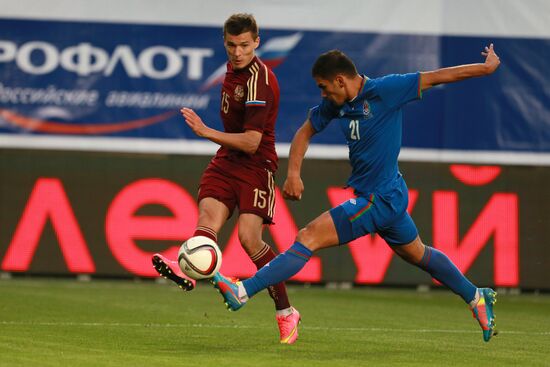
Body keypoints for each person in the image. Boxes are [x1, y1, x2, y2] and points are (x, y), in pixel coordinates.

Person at [211, 44, 501, 343]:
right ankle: (475, 296)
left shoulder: (387, 89)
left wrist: (486, 68)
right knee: (417, 253)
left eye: (324, 87)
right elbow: (305, 132)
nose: (322, 94)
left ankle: (242, 291)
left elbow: (439, 76)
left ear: (340, 80)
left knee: (308, 237)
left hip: (380, 199)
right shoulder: (336, 104)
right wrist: (294, 173)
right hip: (388, 197)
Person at [152, 13, 301, 344]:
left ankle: (286, 312)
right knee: (206, 220)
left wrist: (205, 131)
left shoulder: (259, 81)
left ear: (257, 43)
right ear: (225, 43)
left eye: (245, 45)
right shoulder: (231, 72)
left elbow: (251, 141)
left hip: (255, 165)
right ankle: (188, 270)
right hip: (226, 161)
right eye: (232, 45)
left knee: (249, 239)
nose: (237, 52)